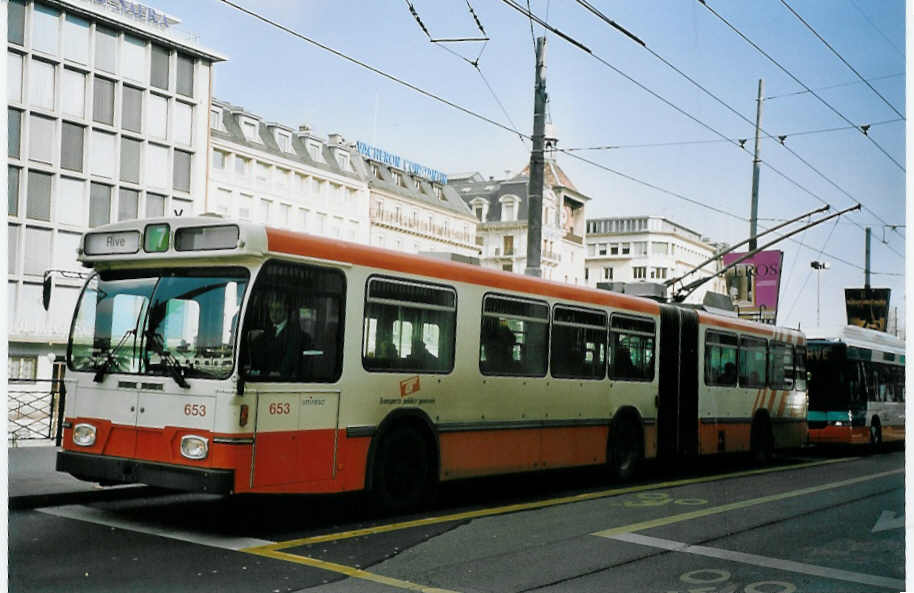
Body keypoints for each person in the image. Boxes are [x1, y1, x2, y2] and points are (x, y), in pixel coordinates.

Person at [250, 292, 302, 378]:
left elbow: (289, 361)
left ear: (286, 311)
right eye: (271, 309)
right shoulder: (266, 332)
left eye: (278, 310)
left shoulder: (294, 333)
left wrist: (280, 373)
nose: (273, 314)